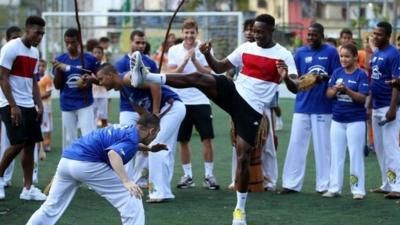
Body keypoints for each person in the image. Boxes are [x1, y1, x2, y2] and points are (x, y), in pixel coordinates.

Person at [129, 14, 297, 225]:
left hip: (252, 109)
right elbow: (219, 68)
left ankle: (239, 211)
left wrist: (285, 78)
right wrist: (207, 55)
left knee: (243, 157)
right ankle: (145, 76)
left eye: (261, 32)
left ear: (272, 30)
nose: (257, 35)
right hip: (235, 91)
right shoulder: (246, 47)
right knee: (199, 78)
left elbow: (296, 87)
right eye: (255, 31)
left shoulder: (283, 55)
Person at [26, 113, 164, 225]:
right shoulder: (132, 139)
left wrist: (149, 148)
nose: (155, 137)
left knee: (50, 207)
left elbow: (122, 144)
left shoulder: (128, 129)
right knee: (132, 198)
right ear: (152, 131)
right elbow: (113, 154)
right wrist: (126, 181)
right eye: (156, 133)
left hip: (66, 161)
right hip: (86, 164)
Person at [95, 63, 185, 202]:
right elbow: (141, 111)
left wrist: (155, 113)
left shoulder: (127, 78)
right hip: (169, 110)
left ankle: (157, 192)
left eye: (101, 79)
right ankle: (163, 191)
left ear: (110, 75)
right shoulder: (123, 90)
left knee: (156, 145)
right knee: (163, 147)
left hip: (171, 107)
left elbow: (155, 84)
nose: (99, 83)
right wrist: (145, 137)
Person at [280, 23, 341, 195]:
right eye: (309, 35)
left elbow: (337, 76)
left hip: (323, 107)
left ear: (322, 35)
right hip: (302, 105)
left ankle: (324, 185)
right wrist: (288, 78)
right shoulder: (300, 53)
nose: (311, 38)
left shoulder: (330, 52)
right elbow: (296, 79)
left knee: (323, 147)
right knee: (296, 144)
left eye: (314, 35)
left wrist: (322, 78)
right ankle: (291, 184)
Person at [167, 18, 219, 190]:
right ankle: (188, 176)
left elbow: (209, 73)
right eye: (186, 32)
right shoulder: (174, 49)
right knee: (183, 140)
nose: (189, 35)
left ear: (197, 32)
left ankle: (209, 175)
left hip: (201, 99)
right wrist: (184, 61)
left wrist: (195, 59)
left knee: (207, 138)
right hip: (180, 101)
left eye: (192, 32)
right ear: (182, 33)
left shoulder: (204, 49)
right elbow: (172, 74)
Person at [0, 16, 46, 200]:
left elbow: (34, 82)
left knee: (30, 144)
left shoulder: (35, 53)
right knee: (18, 143)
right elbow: (2, 78)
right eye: (37, 32)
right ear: (27, 30)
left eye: (42, 33)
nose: (40, 37)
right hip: (9, 103)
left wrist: (40, 105)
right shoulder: (10, 48)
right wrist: (13, 105)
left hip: (28, 104)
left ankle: (27, 189)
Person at [323, 44, 369, 200]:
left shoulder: (361, 75)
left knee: (355, 154)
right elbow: (329, 94)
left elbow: (362, 98)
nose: (343, 59)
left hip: (355, 120)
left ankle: (358, 190)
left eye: (347, 56)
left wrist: (347, 90)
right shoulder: (337, 72)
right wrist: (336, 89)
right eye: (341, 56)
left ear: (355, 57)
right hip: (337, 120)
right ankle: (334, 188)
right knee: (336, 155)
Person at [114, 30, 159, 187]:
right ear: (131, 42)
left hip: (146, 110)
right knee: (126, 141)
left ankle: (140, 178)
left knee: (145, 143)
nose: (140, 45)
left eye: (143, 43)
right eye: (137, 42)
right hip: (128, 108)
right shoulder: (120, 63)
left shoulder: (151, 63)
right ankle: (124, 179)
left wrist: (153, 112)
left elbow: (156, 87)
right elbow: (121, 85)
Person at [368, 21, 400, 199]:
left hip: (389, 106)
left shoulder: (394, 54)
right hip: (377, 105)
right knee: (380, 148)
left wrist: (393, 108)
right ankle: (387, 183)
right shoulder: (377, 53)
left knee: (391, 147)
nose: (375, 37)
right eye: (374, 34)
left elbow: (397, 83)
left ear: (388, 36)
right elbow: (374, 81)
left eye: (379, 34)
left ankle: (398, 186)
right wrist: (370, 104)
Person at [52, 28, 99, 149]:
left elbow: (100, 79)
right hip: (67, 104)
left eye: (72, 42)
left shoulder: (89, 59)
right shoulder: (60, 60)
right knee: (69, 140)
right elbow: (57, 85)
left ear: (79, 42)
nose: (69, 45)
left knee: (89, 137)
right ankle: (69, 165)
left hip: (85, 103)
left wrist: (89, 79)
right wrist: (58, 70)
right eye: (67, 42)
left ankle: (90, 164)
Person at [0, 25, 22, 187]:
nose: (17, 41)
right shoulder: (4, 54)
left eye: (18, 38)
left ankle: (5, 179)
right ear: (7, 39)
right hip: (4, 102)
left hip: (11, 103)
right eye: (13, 38)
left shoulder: (21, 57)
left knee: (10, 141)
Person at [38, 59, 53, 152]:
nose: (40, 68)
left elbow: (48, 93)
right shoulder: (33, 78)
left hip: (46, 107)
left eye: (42, 66)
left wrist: (36, 97)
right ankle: (38, 145)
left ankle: (47, 144)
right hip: (35, 107)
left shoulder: (47, 79)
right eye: (39, 66)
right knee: (36, 126)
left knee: (46, 126)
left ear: (45, 67)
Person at [91, 46, 109, 127]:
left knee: (104, 118)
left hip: (103, 95)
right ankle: (93, 136)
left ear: (102, 54)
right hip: (92, 96)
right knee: (92, 118)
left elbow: (106, 81)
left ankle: (105, 137)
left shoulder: (105, 66)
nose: (97, 55)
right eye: (95, 53)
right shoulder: (89, 65)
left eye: (99, 53)